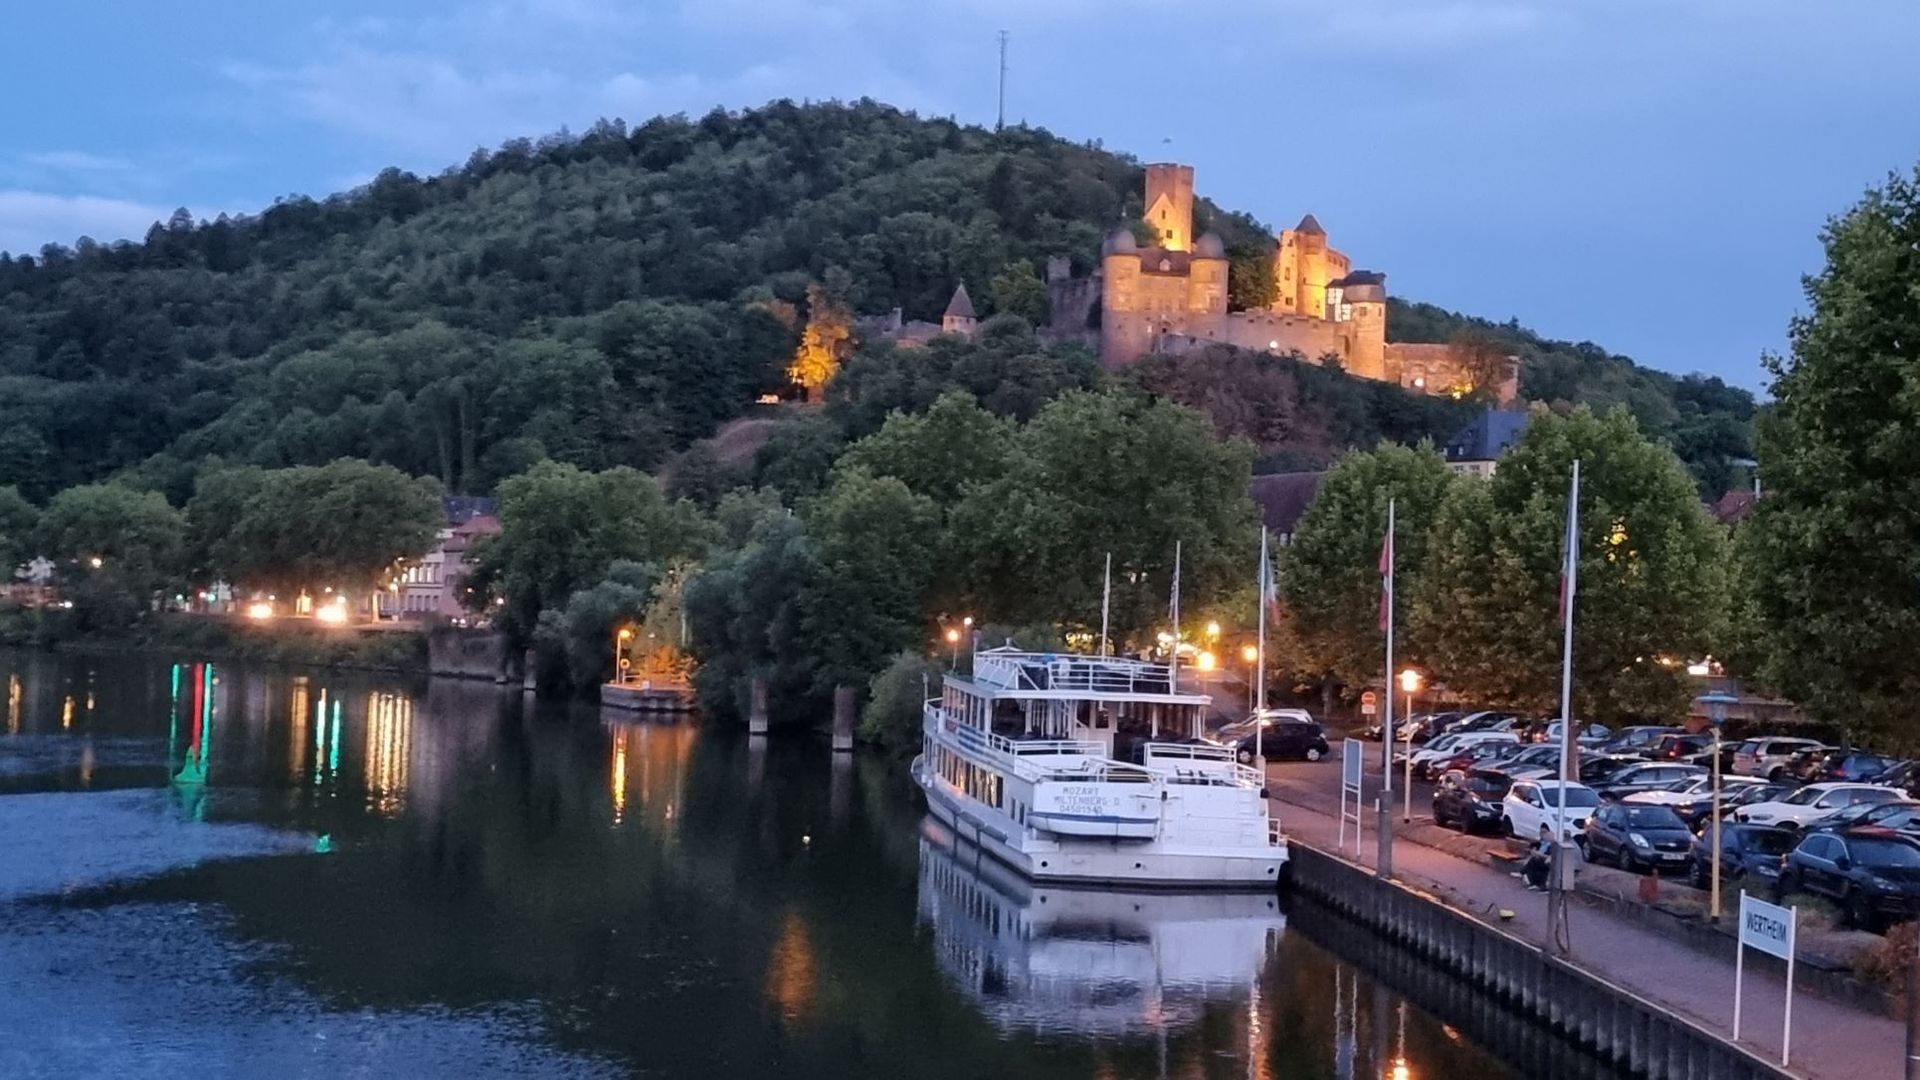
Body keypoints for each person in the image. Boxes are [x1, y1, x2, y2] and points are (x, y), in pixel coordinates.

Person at [1522, 825, 1554, 891]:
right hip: (1539, 859)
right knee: (1533, 862)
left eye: (1544, 832)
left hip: (1546, 861)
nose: (1542, 834)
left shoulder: (1551, 845)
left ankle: (1523, 872)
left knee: (1533, 861)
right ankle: (1533, 883)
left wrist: (1539, 854)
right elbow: (1531, 847)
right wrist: (1533, 851)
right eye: (1541, 832)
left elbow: (1550, 856)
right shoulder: (1540, 842)